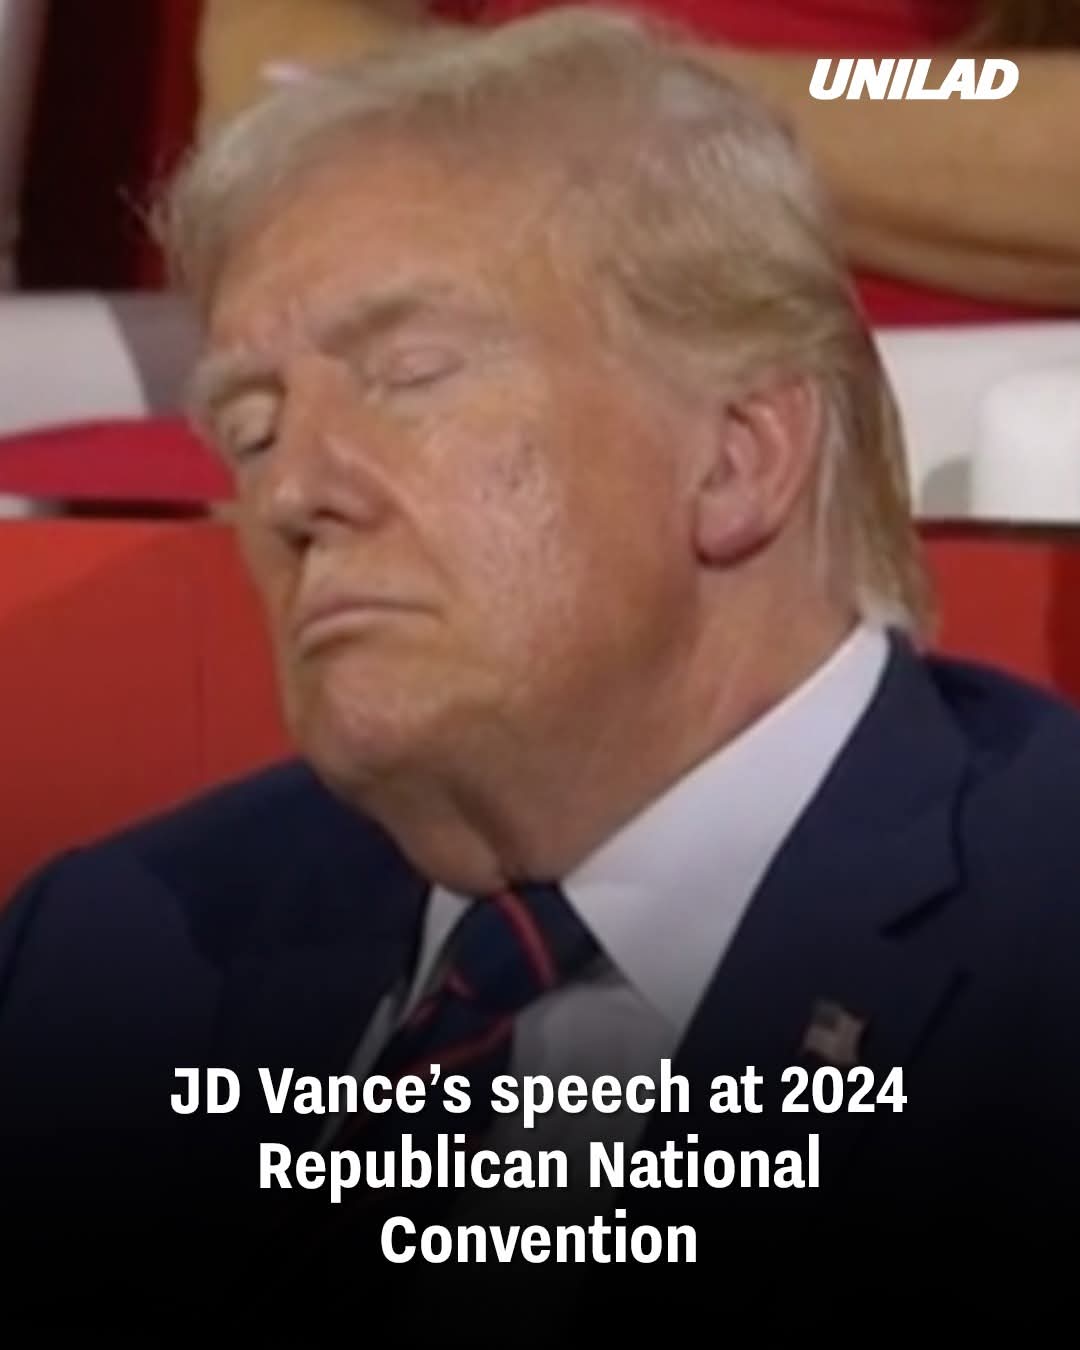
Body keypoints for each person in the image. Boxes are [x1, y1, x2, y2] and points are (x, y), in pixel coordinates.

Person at [1, 7, 1078, 1334]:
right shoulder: (109, 951)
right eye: (253, 427)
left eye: (408, 375)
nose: (291, 492)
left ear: (736, 457)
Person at [195, 0, 1080, 322]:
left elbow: (1041, 119)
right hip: (497, 360)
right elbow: (273, 71)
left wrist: (644, 98)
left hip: (949, 443)